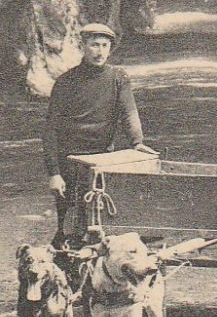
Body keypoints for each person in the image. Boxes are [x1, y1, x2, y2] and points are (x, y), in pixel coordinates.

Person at [43, 22, 154, 247]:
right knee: (69, 228)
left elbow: (129, 112)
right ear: (83, 46)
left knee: (101, 224)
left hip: (102, 161)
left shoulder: (118, 79)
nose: (100, 51)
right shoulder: (66, 82)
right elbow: (50, 130)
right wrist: (54, 173)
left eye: (105, 45)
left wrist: (138, 142)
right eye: (94, 45)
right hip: (70, 162)